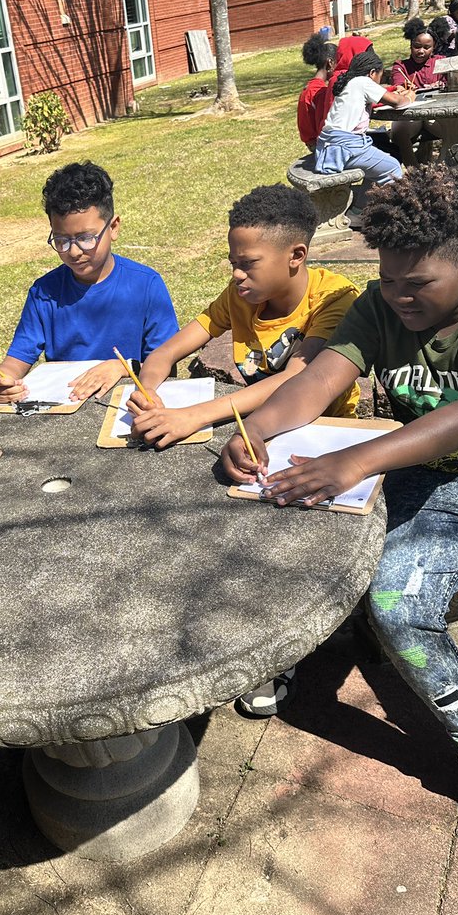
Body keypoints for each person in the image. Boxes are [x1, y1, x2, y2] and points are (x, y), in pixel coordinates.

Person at [221, 166, 458, 874]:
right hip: (430, 487)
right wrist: (257, 428)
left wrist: (357, 461)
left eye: (419, 285)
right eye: (388, 281)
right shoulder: (380, 305)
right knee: (393, 602)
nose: (399, 298)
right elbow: (320, 380)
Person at [130, 185, 360, 716]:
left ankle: (274, 653)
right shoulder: (242, 295)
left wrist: (189, 416)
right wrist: (149, 384)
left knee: (274, 549)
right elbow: (172, 346)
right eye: (233, 263)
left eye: (248, 263)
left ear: (296, 256)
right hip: (247, 437)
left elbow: (296, 380)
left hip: (319, 443)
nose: (237, 275)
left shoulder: (336, 299)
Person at [0, 161, 179, 405]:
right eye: (61, 240)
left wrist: (123, 368)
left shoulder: (147, 285)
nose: (74, 251)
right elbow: (16, 359)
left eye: (86, 238)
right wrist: (1, 380)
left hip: (126, 404)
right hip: (65, 407)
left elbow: (167, 367)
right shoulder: (44, 292)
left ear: (114, 227)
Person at [315, 48, 414, 225]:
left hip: (330, 145)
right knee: (392, 168)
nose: (378, 82)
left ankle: (360, 208)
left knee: (380, 158)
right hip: (346, 146)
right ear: (371, 73)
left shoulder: (349, 82)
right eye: (379, 77)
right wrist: (410, 97)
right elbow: (397, 102)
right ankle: (375, 214)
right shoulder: (362, 82)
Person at [389, 19, 443, 167]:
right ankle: (414, 173)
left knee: (457, 127)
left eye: (427, 47)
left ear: (434, 47)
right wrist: (403, 90)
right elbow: (398, 88)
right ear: (411, 45)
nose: (421, 51)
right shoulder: (401, 66)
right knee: (399, 132)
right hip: (411, 115)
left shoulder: (441, 62)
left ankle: (443, 168)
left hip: (437, 112)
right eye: (417, 46)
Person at [297, 34, 337, 152]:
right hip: (319, 145)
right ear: (330, 63)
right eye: (338, 63)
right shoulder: (319, 92)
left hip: (311, 142)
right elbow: (323, 126)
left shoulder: (309, 87)